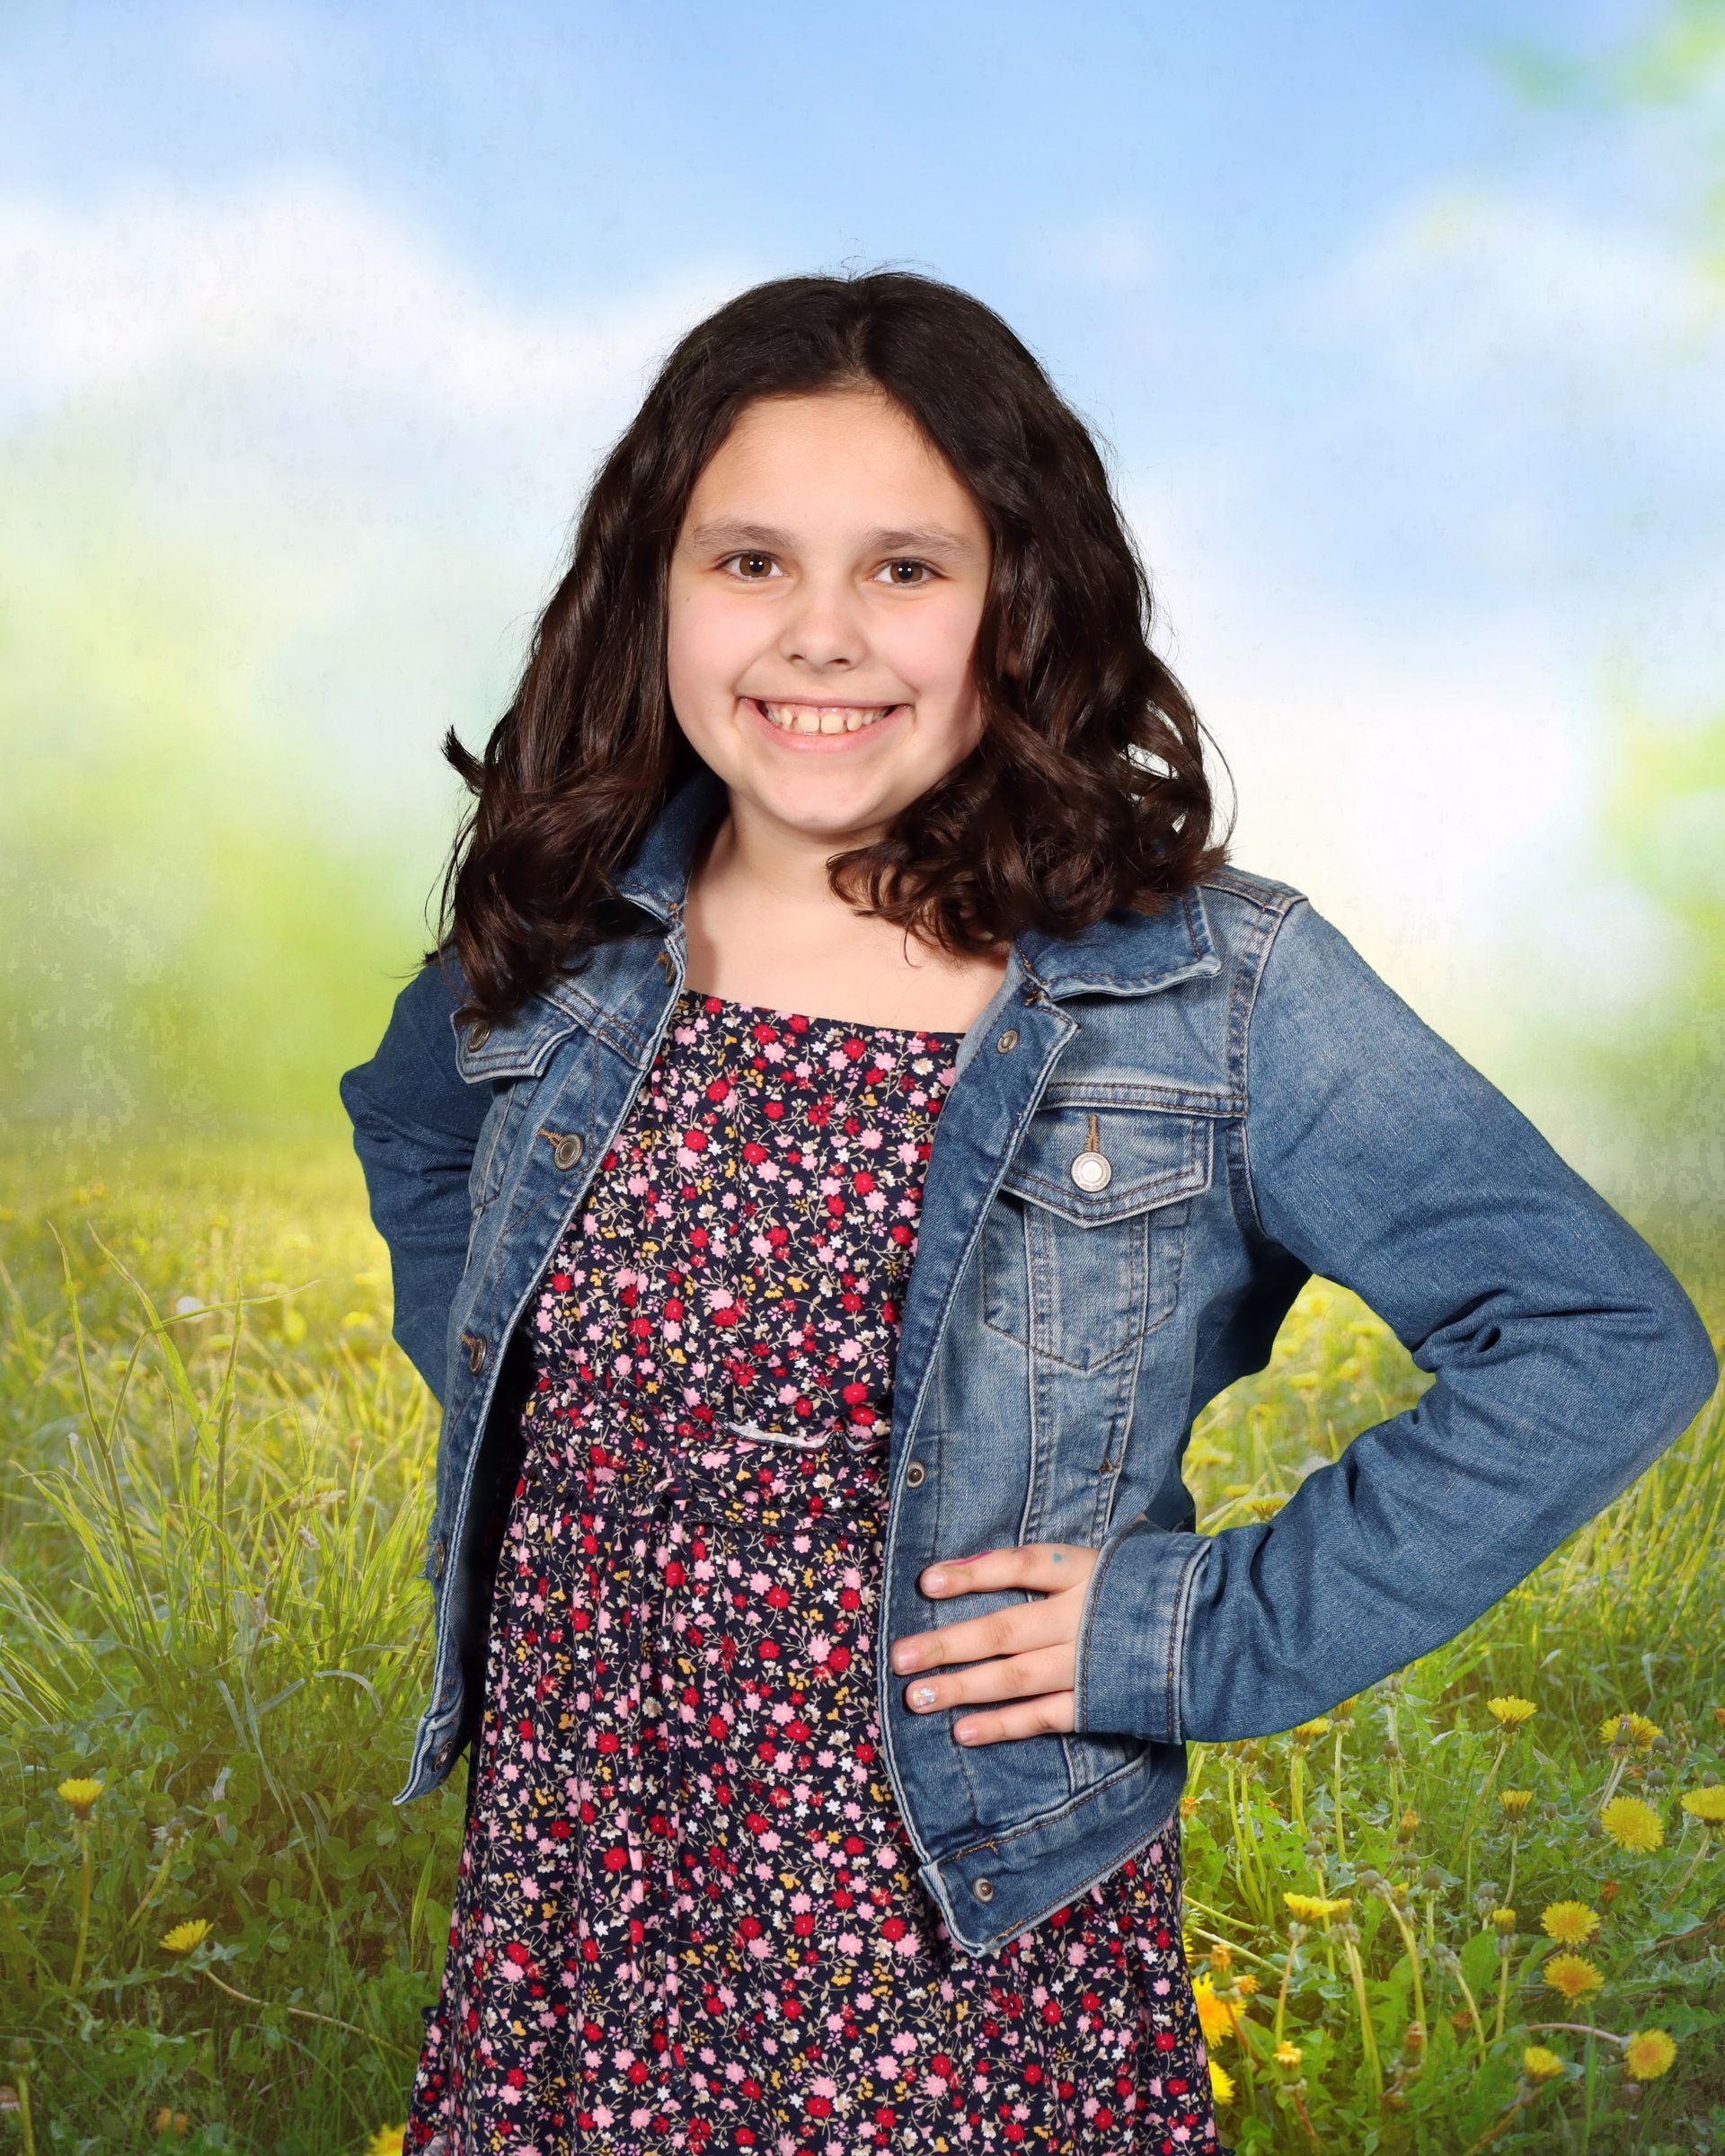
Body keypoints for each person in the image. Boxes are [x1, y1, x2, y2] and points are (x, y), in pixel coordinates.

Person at [339, 270, 1717, 2156]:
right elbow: (417, 1135)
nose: (820, 636)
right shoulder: (573, 922)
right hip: (578, 1894)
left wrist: (1189, 1635)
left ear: (1019, 597)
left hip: (940, 1943)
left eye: (906, 568)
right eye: (750, 562)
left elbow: (1591, 1338)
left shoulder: (1206, 990)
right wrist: (536, 1418)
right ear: (651, 589)